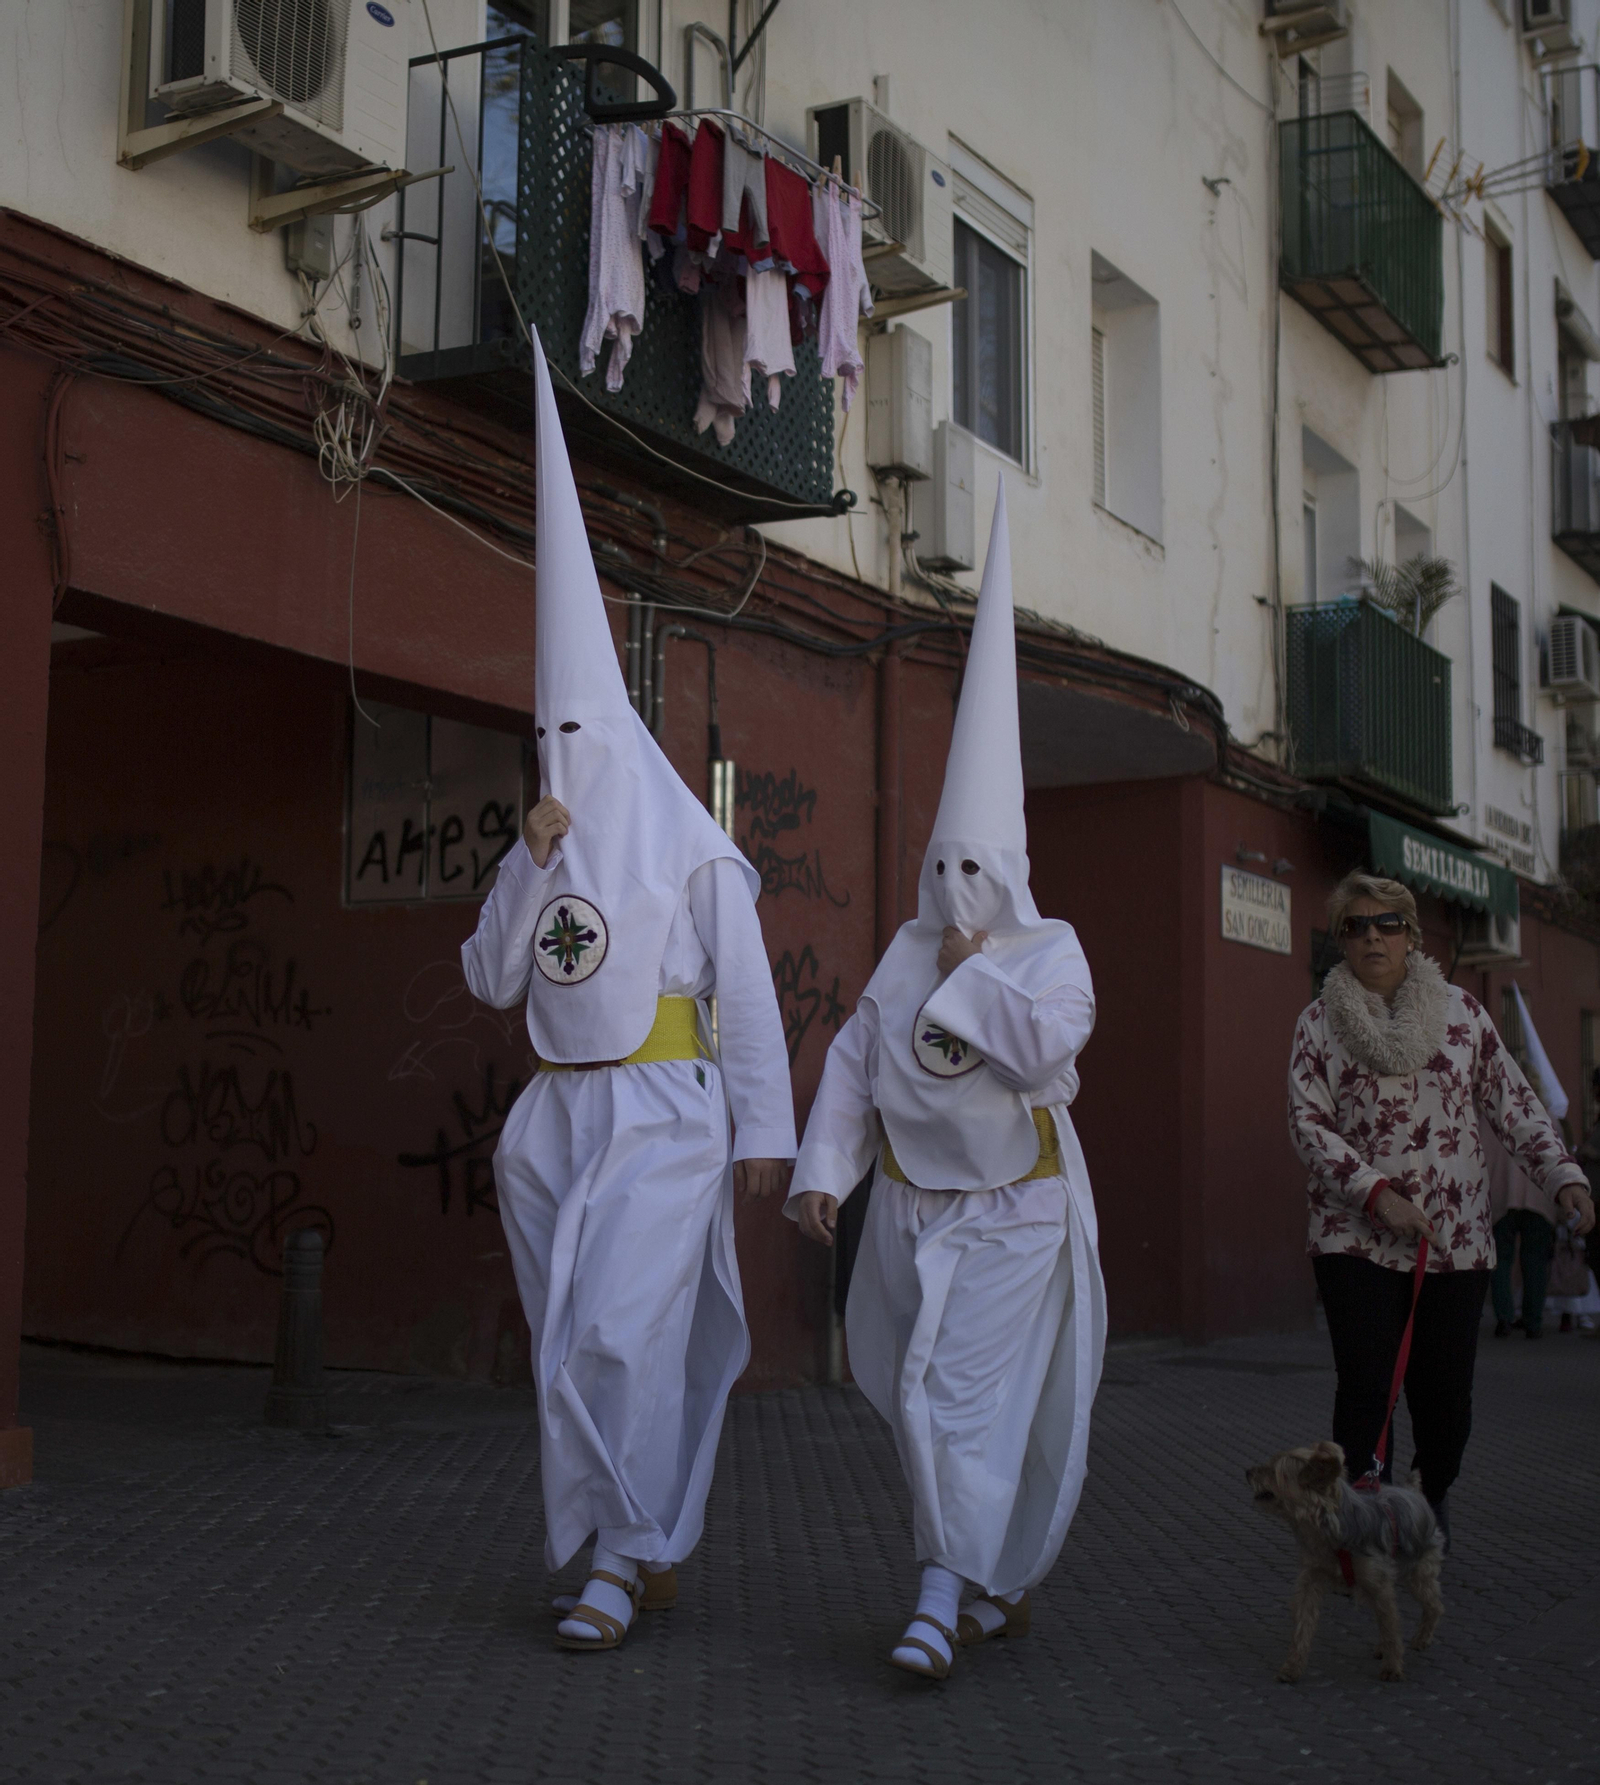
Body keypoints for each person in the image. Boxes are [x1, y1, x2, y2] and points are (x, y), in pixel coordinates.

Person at [461, 332, 795, 1653]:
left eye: (582, 739)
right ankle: (634, 1531)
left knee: (615, 1332)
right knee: (576, 1344)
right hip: (555, 1124)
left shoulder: (692, 849)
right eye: (551, 740)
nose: (566, 759)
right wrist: (525, 864)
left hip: (663, 1113)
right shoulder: (539, 853)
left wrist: (765, 1130)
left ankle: (616, 1554)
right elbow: (493, 980)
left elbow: (753, 995)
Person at [786, 483, 1105, 1681]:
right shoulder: (901, 953)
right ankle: (978, 1575)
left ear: (1009, 870)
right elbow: (858, 1064)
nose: (955, 883)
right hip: (916, 1210)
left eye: (978, 867)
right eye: (941, 865)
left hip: (1015, 1214)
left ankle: (935, 1595)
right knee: (924, 1397)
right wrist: (826, 1174)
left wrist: (976, 974)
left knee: (948, 1399)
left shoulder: (1051, 953)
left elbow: (1042, 1056)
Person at [1288, 873, 1595, 1548]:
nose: (1372, 934)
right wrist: (1376, 1192)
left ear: (1412, 935)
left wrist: (1562, 1175)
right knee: (1367, 1385)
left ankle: (1431, 1491)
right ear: (1342, 940)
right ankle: (1365, 1521)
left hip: (1454, 1241)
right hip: (1355, 1237)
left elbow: (1513, 1104)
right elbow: (1309, 1125)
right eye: (1356, 924)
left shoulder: (1462, 1014)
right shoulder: (1319, 1023)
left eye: (1387, 922)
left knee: (1444, 1400)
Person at [1485, 1127, 1560, 1339]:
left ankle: (1504, 1318)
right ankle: (1533, 1321)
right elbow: (1558, 1158)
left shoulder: (1492, 1120)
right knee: (1536, 1262)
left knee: (1500, 1260)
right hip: (1539, 1200)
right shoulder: (1544, 1119)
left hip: (1502, 1199)